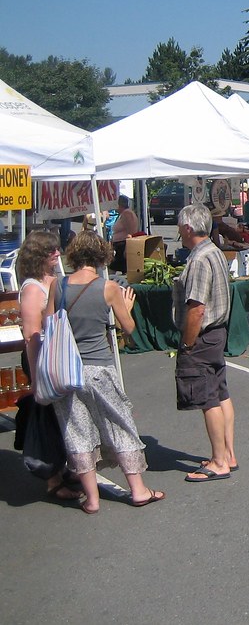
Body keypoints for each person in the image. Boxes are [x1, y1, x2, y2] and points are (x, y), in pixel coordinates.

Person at [43, 230, 164, 512]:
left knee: (77, 432)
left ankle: (92, 499)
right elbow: (129, 328)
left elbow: (49, 323)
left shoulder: (58, 286)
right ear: (101, 255)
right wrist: (128, 307)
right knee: (119, 424)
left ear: (74, 254)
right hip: (100, 367)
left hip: (67, 370)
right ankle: (138, 490)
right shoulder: (107, 288)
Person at [15, 229, 80, 501]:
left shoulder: (55, 280)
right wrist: (35, 378)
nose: (57, 254)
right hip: (41, 357)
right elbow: (31, 336)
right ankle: (52, 479)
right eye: (50, 251)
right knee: (48, 417)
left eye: (57, 249)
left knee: (64, 414)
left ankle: (65, 468)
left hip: (57, 355)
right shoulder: (32, 288)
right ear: (38, 256)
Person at [174, 203, 236, 481]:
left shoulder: (200, 259)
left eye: (180, 228)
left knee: (208, 397)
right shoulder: (213, 251)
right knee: (220, 392)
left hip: (204, 335)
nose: (178, 232)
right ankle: (227, 454)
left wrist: (187, 344)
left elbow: (197, 308)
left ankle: (219, 461)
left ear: (188, 228)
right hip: (217, 332)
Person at [109, 195, 139, 273]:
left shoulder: (127, 213)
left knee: (114, 267)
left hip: (123, 246)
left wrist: (127, 248)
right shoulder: (122, 214)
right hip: (119, 246)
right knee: (113, 267)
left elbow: (131, 232)